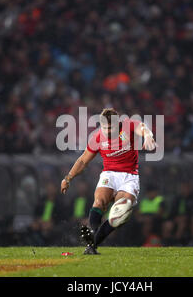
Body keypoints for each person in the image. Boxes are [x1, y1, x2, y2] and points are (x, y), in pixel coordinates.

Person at [60, 108, 157, 254]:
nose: (107, 130)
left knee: (121, 212)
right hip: (109, 175)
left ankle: (92, 245)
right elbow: (82, 161)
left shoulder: (127, 125)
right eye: (104, 127)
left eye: (110, 127)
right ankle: (92, 243)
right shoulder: (98, 137)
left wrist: (148, 135)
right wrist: (68, 178)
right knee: (99, 202)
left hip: (129, 176)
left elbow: (141, 128)